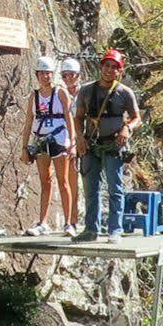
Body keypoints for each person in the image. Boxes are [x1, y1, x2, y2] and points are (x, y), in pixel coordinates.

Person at [75, 47, 140, 241]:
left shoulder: (124, 93)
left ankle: (115, 230)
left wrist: (127, 129)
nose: (109, 70)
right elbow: (78, 117)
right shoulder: (86, 91)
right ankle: (90, 230)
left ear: (120, 71)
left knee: (115, 189)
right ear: (101, 67)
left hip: (114, 146)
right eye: (106, 65)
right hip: (90, 145)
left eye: (114, 67)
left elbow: (137, 117)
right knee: (90, 189)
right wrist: (79, 137)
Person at [22, 56, 74, 235]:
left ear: (53, 74)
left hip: (59, 140)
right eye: (42, 73)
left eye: (48, 73)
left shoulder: (60, 93)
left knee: (63, 181)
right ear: (37, 75)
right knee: (45, 181)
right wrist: (25, 148)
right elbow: (29, 122)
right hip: (41, 140)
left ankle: (68, 223)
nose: (45, 76)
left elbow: (69, 118)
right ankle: (42, 222)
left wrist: (72, 142)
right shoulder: (34, 96)